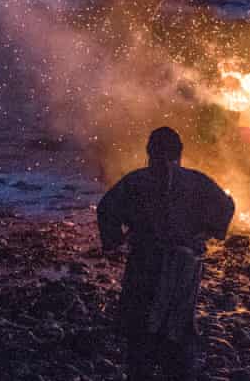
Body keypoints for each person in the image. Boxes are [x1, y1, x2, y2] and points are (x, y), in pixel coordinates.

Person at [97, 126, 235, 381]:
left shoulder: (136, 180)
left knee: (140, 336)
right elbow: (226, 206)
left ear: (149, 152)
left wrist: (114, 242)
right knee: (179, 335)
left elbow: (106, 208)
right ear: (179, 154)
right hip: (183, 269)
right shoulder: (197, 181)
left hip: (144, 264)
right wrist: (207, 232)